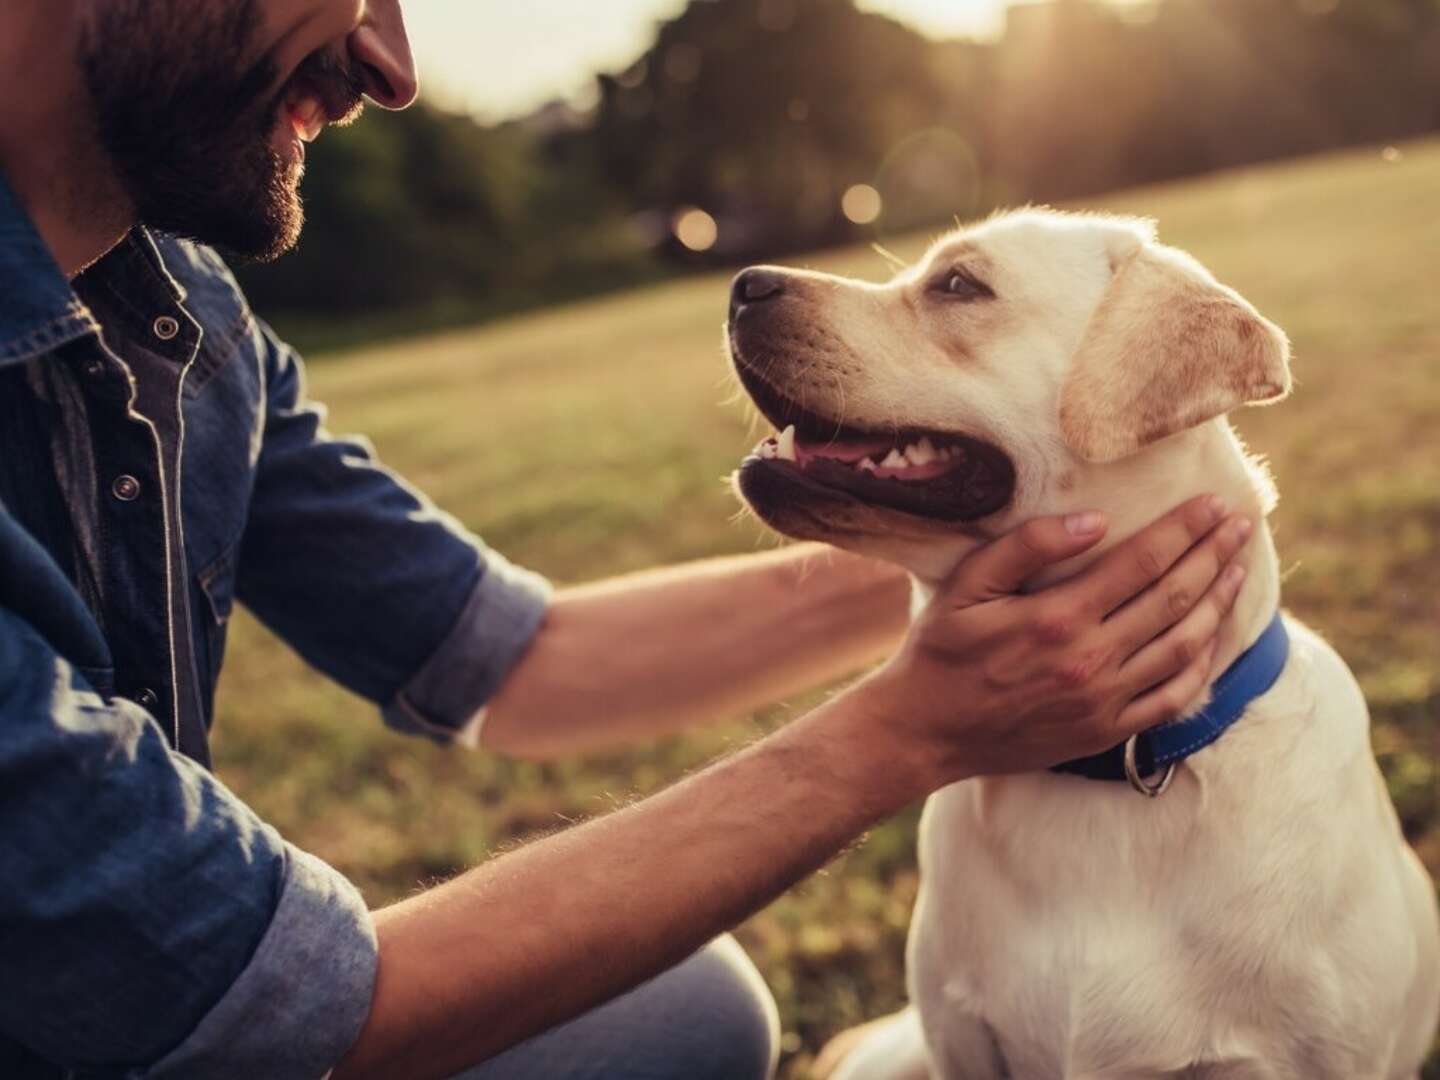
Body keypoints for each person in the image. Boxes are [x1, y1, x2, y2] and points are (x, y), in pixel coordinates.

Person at [0, 3, 1254, 1078]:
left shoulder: (177, 317)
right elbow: (253, 1007)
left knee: (683, 1015)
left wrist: (1017, 547)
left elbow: (515, 656)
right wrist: (911, 727)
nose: (391, 62)